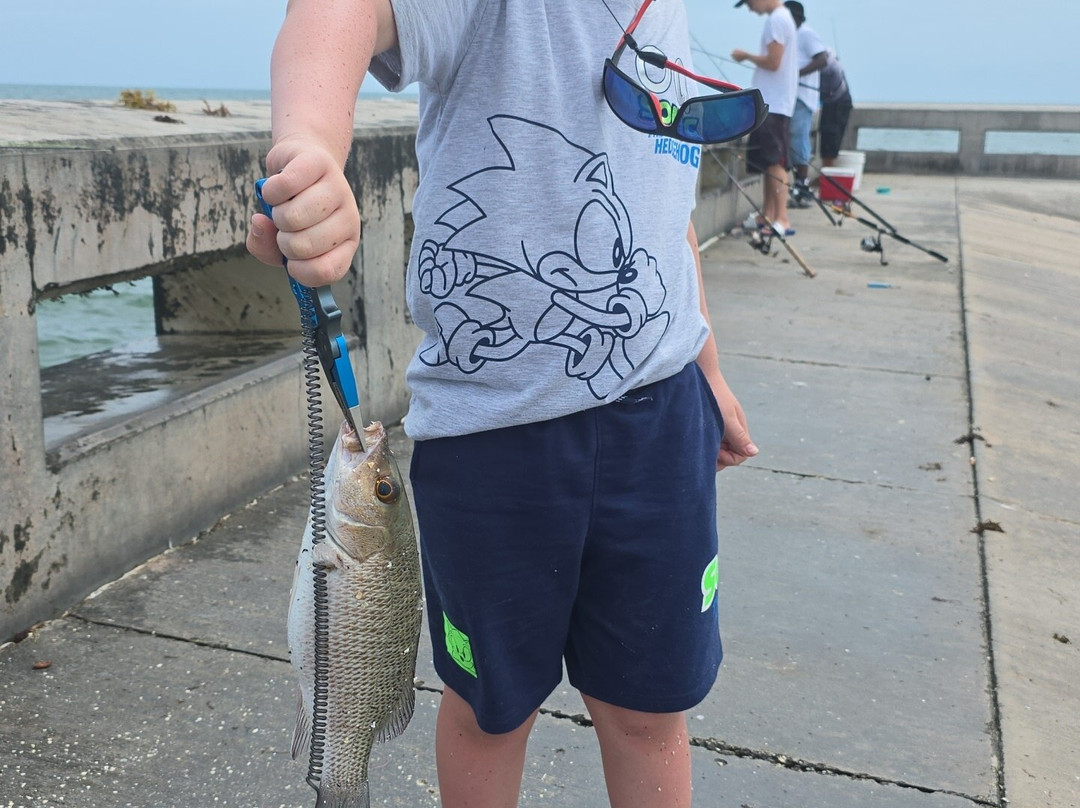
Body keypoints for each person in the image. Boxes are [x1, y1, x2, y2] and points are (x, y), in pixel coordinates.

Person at [247, 1, 760, 805]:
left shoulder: (670, 15)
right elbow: (335, 14)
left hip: (662, 423)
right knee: (491, 710)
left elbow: (665, 215)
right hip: (494, 443)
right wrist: (311, 146)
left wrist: (712, 370)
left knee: (649, 709)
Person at [731, 0, 799, 236]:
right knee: (768, 162)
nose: (750, 8)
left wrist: (746, 56)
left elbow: (773, 62)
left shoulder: (777, 19)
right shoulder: (783, 17)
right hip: (774, 103)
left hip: (775, 104)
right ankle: (768, 215)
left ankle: (782, 219)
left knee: (775, 163)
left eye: (749, 2)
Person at [783, 1, 826, 208]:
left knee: (798, 139)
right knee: (790, 141)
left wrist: (796, 74)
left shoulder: (806, 34)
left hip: (803, 97)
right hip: (790, 97)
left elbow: (822, 60)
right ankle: (798, 186)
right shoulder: (788, 37)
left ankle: (802, 186)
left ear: (797, 18)